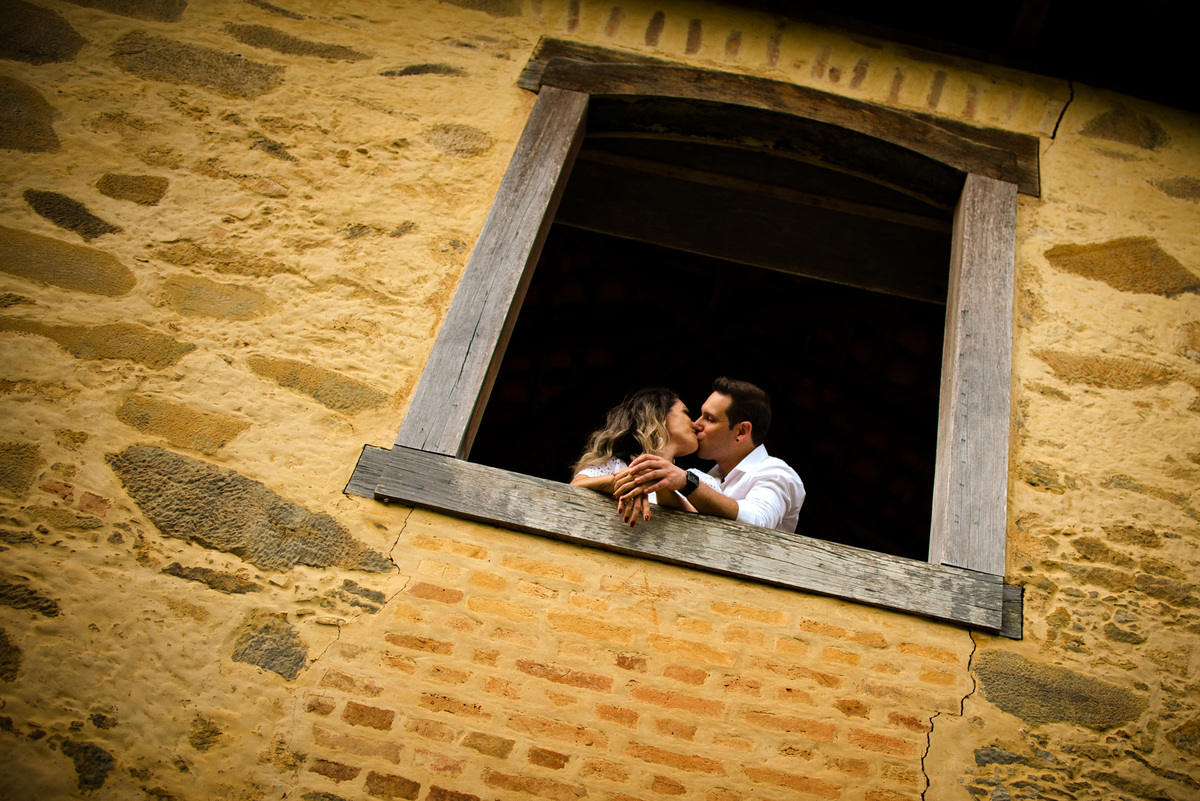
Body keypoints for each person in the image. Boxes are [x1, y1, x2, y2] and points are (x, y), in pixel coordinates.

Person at [615, 377, 805, 533]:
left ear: (741, 432)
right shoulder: (710, 478)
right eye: (700, 415)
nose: (696, 424)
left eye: (710, 419)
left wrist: (686, 482)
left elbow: (758, 521)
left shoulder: (776, 472)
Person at [571, 386, 719, 522]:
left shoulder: (699, 480)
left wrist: (654, 484)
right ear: (659, 415)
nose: (696, 425)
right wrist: (627, 481)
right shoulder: (616, 465)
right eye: (687, 413)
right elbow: (573, 488)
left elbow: (708, 524)